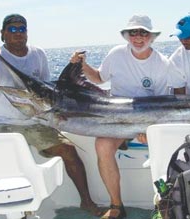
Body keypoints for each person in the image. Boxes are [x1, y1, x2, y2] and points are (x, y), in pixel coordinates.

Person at [0, 14, 103, 216]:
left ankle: (87, 202)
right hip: (5, 124)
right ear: (3, 34)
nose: (18, 33)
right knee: (12, 166)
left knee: (69, 151)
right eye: (12, 29)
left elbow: (48, 90)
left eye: (22, 29)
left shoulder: (38, 54)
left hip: (36, 121)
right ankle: (20, 212)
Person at [70, 14, 184, 219]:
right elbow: (98, 78)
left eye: (143, 33)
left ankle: (166, 203)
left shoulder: (162, 63)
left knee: (167, 149)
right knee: (102, 145)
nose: (138, 37)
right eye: (134, 32)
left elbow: (162, 103)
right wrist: (82, 64)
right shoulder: (116, 55)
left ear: (151, 37)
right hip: (117, 118)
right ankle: (116, 205)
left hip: (149, 118)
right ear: (127, 36)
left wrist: (149, 131)